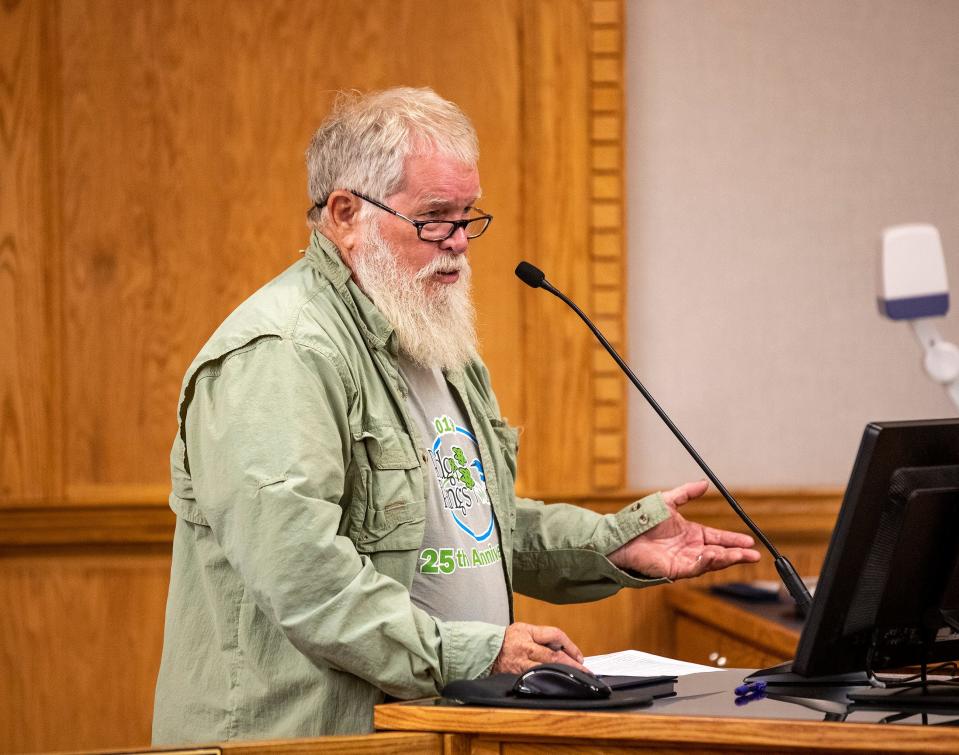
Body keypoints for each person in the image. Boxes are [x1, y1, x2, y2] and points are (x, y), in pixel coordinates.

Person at [152, 87, 760, 744]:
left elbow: (471, 527)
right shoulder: (281, 353)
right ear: (346, 213)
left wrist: (614, 543)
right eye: (434, 217)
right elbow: (307, 580)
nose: (460, 243)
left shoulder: (435, 343)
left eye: (467, 216)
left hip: (437, 724)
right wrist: (472, 653)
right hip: (307, 734)